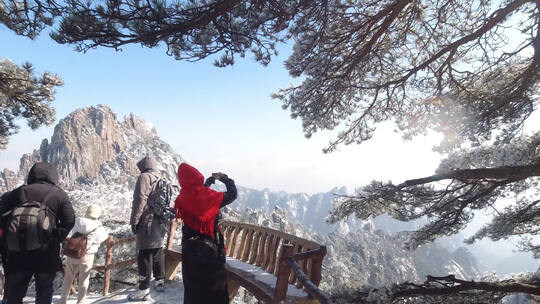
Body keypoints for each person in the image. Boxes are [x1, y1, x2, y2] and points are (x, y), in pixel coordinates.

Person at [0, 162, 75, 304]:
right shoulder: (59, 194)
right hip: (46, 253)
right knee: (44, 292)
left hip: (17, 253)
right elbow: (69, 220)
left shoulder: (17, 192)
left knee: (14, 293)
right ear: (53, 176)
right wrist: (55, 238)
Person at [174, 163, 237, 304]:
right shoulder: (208, 197)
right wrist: (225, 179)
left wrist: (207, 184)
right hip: (209, 251)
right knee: (214, 291)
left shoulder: (183, 196)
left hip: (189, 251)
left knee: (193, 290)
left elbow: (196, 201)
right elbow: (233, 195)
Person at [128, 156, 167, 301]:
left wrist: (135, 220)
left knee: (144, 254)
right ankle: (160, 281)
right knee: (157, 251)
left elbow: (140, 199)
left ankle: (143, 289)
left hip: (147, 221)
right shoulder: (160, 177)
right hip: (159, 221)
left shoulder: (144, 177)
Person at [60, 204, 109, 304]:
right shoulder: (97, 225)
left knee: (68, 278)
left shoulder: (78, 220)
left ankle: (63, 300)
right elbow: (103, 237)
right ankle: (81, 300)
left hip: (72, 253)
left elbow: (69, 233)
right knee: (84, 279)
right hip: (87, 256)